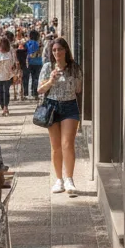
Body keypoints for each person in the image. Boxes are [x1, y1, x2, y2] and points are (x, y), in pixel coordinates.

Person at [38, 37, 83, 196]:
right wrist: (51, 80)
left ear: (66, 51)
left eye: (60, 49)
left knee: (67, 144)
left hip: (70, 106)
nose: (57, 52)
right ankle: (59, 180)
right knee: (56, 146)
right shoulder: (47, 67)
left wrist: (71, 81)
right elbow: (40, 90)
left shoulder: (74, 68)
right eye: (54, 50)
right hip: (52, 106)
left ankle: (69, 179)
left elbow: (78, 89)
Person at [0, 34, 16, 116]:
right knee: (0, 92)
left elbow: (14, 62)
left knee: (6, 91)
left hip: (8, 75)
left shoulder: (11, 51)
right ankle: (3, 107)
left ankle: (5, 107)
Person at [23, 30, 43, 101]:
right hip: (38, 63)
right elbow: (41, 52)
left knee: (28, 78)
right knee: (36, 78)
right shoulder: (39, 43)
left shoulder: (27, 43)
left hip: (29, 62)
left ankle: (28, 93)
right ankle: (35, 93)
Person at [14, 30, 29, 102]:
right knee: (17, 79)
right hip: (17, 64)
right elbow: (14, 53)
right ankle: (16, 94)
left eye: (19, 34)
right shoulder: (16, 43)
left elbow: (27, 51)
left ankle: (22, 95)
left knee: (22, 79)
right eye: (17, 34)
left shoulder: (24, 42)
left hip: (23, 63)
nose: (18, 35)